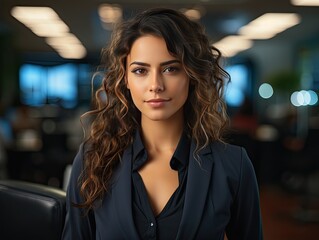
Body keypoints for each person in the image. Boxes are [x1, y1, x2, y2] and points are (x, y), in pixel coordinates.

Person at [62, 8, 263, 240]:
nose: (155, 85)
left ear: (191, 74)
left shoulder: (233, 165)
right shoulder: (92, 159)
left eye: (170, 69)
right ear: (125, 79)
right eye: (140, 70)